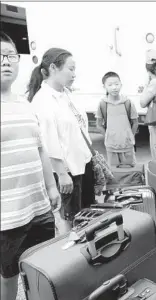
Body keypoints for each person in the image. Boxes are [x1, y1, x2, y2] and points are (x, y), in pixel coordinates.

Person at [0, 31, 61, 300]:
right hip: (7, 215)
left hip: (39, 208)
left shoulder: (24, 103)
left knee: (41, 270)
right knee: (8, 277)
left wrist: (51, 187)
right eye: (0, 56)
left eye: (10, 56)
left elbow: (40, 149)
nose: (5, 62)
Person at [28, 47, 93, 233]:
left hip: (81, 165)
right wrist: (61, 173)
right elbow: (48, 142)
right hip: (66, 172)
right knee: (69, 221)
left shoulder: (66, 94)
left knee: (84, 217)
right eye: (70, 69)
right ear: (54, 68)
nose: (74, 74)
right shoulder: (43, 100)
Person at [96, 71, 139, 168]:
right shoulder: (103, 104)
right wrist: (107, 136)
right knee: (114, 173)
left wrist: (130, 136)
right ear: (104, 87)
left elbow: (135, 123)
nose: (114, 87)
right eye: (110, 85)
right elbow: (98, 125)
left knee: (130, 172)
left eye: (116, 84)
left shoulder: (128, 102)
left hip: (127, 146)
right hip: (111, 147)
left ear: (121, 85)